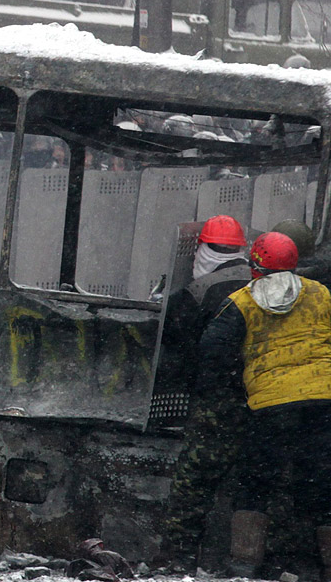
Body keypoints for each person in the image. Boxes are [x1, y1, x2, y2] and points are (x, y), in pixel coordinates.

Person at [198, 232, 331, 578]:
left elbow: (211, 350)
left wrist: (232, 389)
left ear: (254, 265)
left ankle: (244, 563)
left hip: (271, 406)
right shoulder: (320, 292)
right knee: (323, 482)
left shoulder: (241, 302)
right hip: (324, 401)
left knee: (256, 482)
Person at [161, 215, 252, 570]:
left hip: (217, 402)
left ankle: (179, 556)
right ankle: (248, 559)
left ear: (202, 249)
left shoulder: (200, 292)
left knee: (193, 482)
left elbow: (175, 340)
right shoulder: (259, 282)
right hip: (262, 398)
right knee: (253, 484)